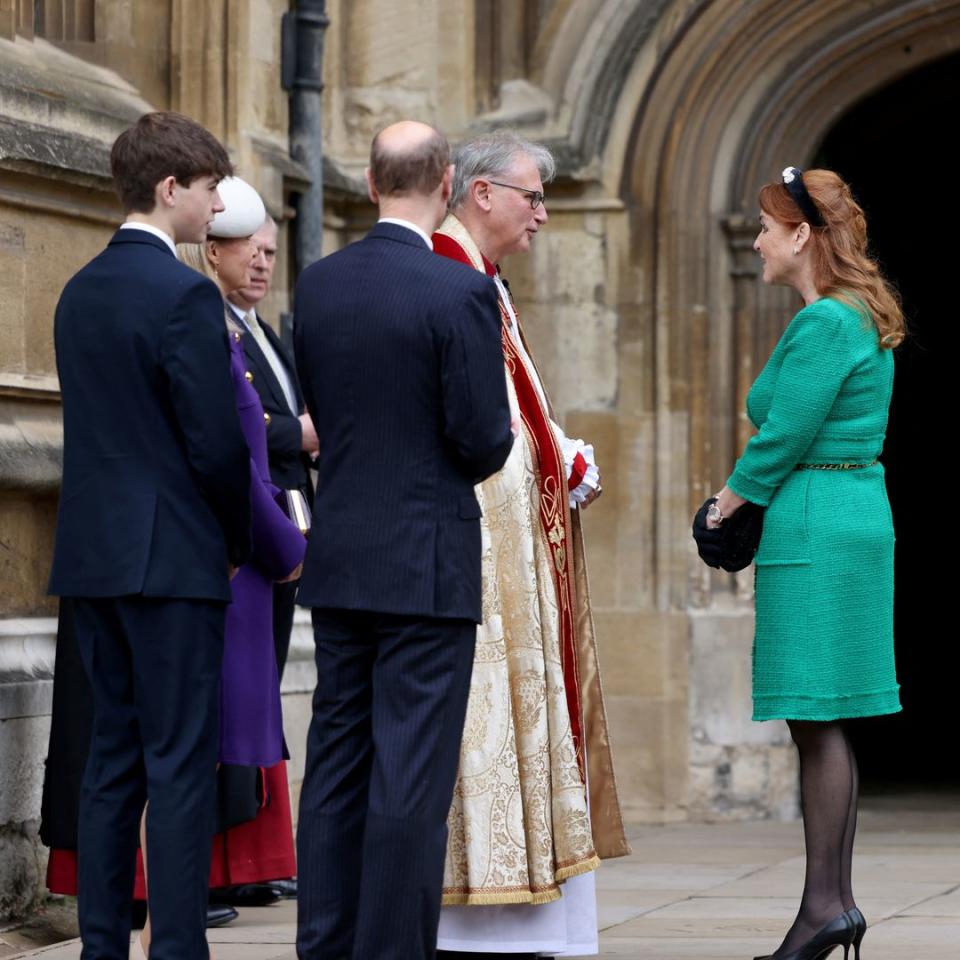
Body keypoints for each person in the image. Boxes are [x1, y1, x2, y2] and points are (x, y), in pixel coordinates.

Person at [293, 120, 516, 960]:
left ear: (368, 178)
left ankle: (326, 945)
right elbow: (483, 437)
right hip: (425, 560)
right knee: (409, 778)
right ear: (450, 180)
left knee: (338, 764)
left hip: (344, 553)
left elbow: (327, 414)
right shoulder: (456, 291)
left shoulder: (317, 284)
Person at [47, 111, 251, 960]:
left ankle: (102, 947)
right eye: (209, 191)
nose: (216, 209)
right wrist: (239, 538)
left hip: (94, 558)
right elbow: (215, 444)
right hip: (172, 562)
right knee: (176, 768)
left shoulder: (78, 287)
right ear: (170, 189)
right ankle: (175, 952)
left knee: (109, 766)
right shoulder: (185, 294)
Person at [431, 131, 629, 960]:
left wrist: (559, 452)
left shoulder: (486, 282)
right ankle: (481, 921)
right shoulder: (448, 278)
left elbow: (511, 415)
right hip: (474, 558)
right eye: (531, 197)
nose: (543, 213)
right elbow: (467, 426)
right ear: (480, 193)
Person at [706, 167, 904, 960]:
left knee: (815, 717)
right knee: (818, 717)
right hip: (841, 512)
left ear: (801, 236)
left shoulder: (827, 321)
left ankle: (826, 906)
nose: (754, 238)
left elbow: (784, 432)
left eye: (765, 225)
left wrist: (724, 505)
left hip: (819, 520)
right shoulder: (849, 315)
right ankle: (834, 904)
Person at [226, 215, 317, 681]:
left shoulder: (266, 333)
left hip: (290, 521)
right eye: (253, 252)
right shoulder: (222, 328)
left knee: (271, 669)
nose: (262, 265)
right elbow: (239, 423)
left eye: (271, 253)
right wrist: (297, 435)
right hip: (257, 519)